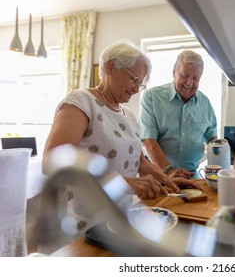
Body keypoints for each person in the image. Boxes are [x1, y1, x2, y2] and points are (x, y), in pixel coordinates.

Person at [43, 42, 201, 203]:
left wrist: (167, 179)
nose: (136, 89)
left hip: (117, 213)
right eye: (134, 79)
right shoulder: (82, 101)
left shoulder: (129, 116)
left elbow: (139, 161)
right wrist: (124, 183)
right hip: (82, 215)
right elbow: (52, 162)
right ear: (110, 67)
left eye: (140, 83)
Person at [139, 50, 217, 179]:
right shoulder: (152, 97)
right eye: (185, 75)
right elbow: (149, 141)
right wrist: (169, 171)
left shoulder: (205, 103)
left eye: (195, 78)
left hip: (191, 175)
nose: (189, 83)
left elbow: (212, 140)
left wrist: (224, 159)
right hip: (157, 175)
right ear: (174, 72)